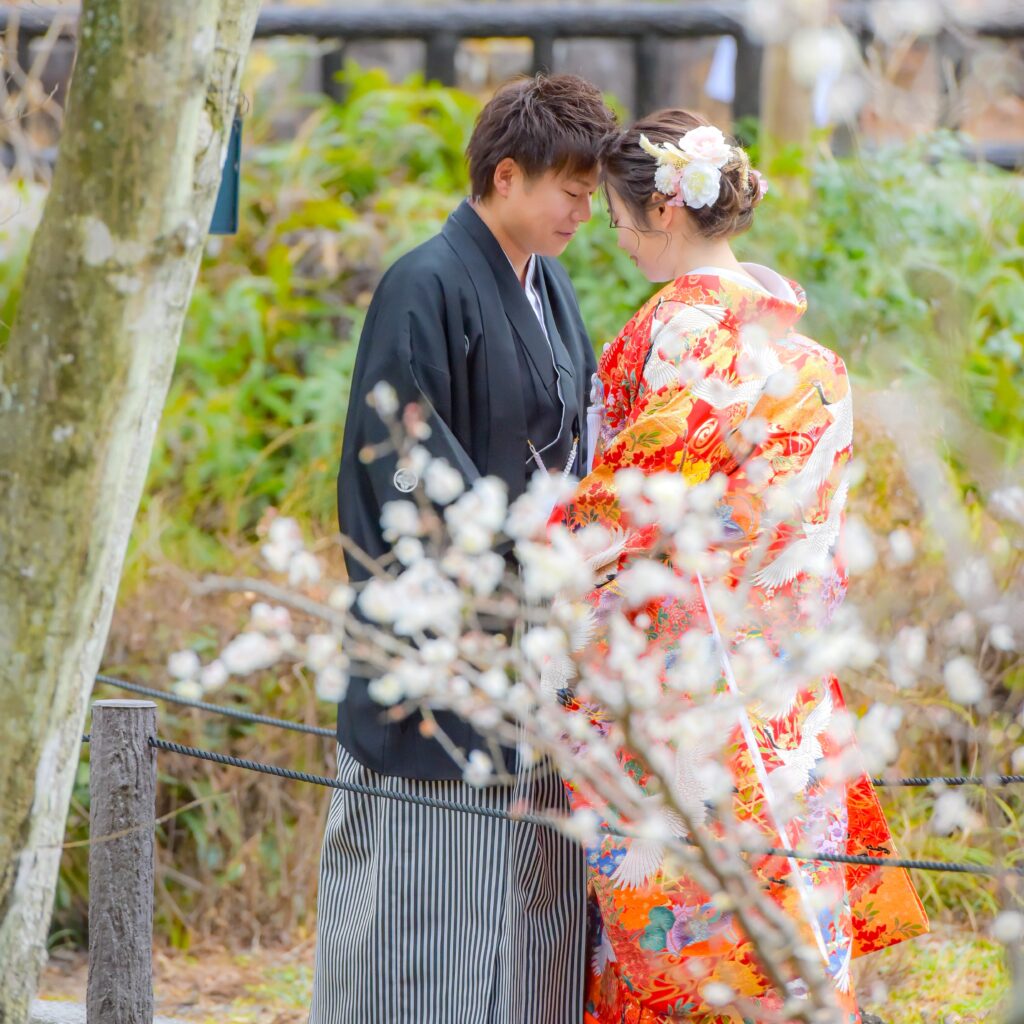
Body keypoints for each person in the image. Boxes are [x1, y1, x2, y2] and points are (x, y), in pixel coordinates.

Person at [553, 110, 929, 1023]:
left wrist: (536, 555)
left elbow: (631, 507)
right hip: (787, 680)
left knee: (688, 950)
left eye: (616, 213)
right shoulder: (812, 355)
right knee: (791, 917)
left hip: (691, 683)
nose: (612, 230)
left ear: (664, 213)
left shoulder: (679, 331)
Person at [309, 75, 618, 1024]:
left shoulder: (549, 282)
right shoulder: (425, 282)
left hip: (540, 637)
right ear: (507, 174)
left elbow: (581, 437)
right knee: (426, 917)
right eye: (566, 187)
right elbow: (400, 464)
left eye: (589, 190)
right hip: (451, 645)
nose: (582, 208)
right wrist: (508, 580)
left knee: (536, 915)